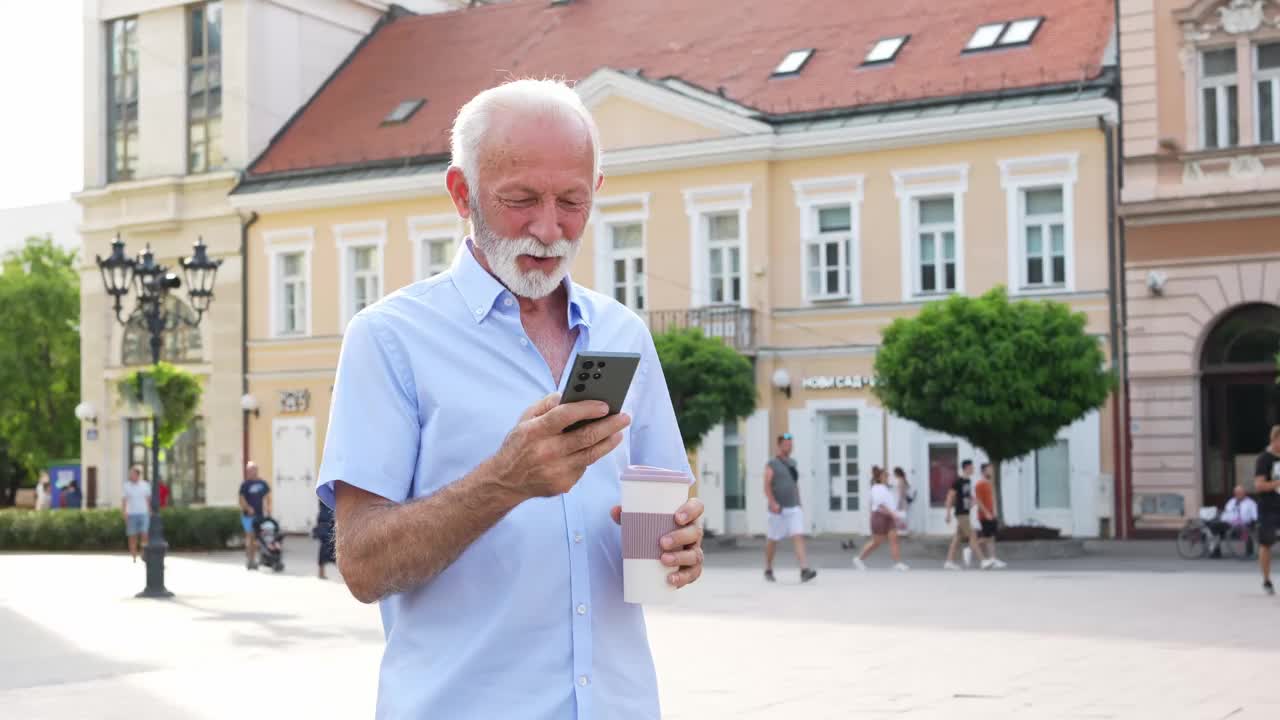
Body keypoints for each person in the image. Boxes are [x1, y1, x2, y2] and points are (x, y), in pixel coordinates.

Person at [318, 79, 705, 719]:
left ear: (596, 192)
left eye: (572, 201)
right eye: (520, 199)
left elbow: (667, 503)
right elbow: (361, 565)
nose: (549, 228)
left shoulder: (622, 333)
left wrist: (680, 541)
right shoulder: (391, 339)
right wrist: (504, 481)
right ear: (461, 193)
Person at [763, 432, 817, 584]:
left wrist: (799, 502)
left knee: (798, 535)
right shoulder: (772, 463)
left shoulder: (793, 463)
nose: (789, 447)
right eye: (787, 445)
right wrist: (773, 503)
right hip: (777, 510)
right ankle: (768, 568)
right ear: (779, 445)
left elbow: (794, 484)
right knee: (773, 539)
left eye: (791, 445)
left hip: (793, 507)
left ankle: (804, 569)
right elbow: (766, 485)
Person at [853, 466, 908, 571]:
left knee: (894, 539)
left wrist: (896, 514)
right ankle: (859, 559)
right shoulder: (876, 488)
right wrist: (894, 515)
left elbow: (890, 503)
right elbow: (881, 505)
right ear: (879, 477)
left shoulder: (885, 488)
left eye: (887, 475)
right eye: (885, 475)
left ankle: (897, 563)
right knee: (876, 542)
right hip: (880, 516)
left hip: (889, 516)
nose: (888, 477)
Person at [944, 460, 988, 570]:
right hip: (960, 513)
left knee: (957, 538)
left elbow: (967, 497)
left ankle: (949, 561)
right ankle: (983, 560)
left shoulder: (968, 481)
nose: (973, 469)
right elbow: (950, 497)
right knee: (972, 536)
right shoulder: (958, 482)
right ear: (967, 468)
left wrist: (974, 503)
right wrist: (948, 513)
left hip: (966, 512)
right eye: (972, 467)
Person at [1253, 425, 1280, 595]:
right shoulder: (1264, 459)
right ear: (1274, 439)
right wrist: (1277, 483)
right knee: (1266, 544)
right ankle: (1266, 580)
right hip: (1269, 508)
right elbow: (1259, 485)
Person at [238, 461, 271, 570]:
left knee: (260, 538)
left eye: (253, 470)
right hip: (248, 516)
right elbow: (241, 499)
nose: (251, 472)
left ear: (256, 470)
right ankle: (250, 560)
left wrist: (268, 508)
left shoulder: (263, 483)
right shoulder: (245, 485)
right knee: (250, 537)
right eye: (249, 470)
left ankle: (259, 558)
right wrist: (248, 508)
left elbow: (267, 497)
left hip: (260, 515)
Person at [974, 463, 1007, 569]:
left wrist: (994, 513)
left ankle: (993, 559)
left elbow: (991, 500)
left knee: (991, 537)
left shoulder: (989, 483)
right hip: (984, 515)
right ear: (983, 471)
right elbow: (978, 500)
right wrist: (986, 513)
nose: (991, 471)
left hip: (991, 514)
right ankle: (971, 547)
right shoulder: (979, 484)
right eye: (989, 470)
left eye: (992, 470)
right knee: (987, 537)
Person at [1214, 484, 1258, 558]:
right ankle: (1216, 551)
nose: (1238, 494)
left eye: (1240, 492)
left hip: (1244, 524)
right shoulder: (1231, 501)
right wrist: (1223, 519)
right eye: (1236, 493)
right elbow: (1226, 512)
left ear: (1244, 493)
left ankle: (1249, 552)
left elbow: (1255, 516)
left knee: (1246, 529)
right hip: (1230, 523)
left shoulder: (1250, 503)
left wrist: (1252, 522)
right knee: (1215, 526)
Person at [121, 465, 151, 563]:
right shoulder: (127, 486)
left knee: (144, 534)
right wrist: (124, 512)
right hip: (131, 514)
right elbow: (124, 500)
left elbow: (148, 499)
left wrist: (149, 511)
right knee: (132, 536)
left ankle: (144, 554)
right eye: (130, 473)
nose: (131, 475)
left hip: (144, 513)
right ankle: (134, 556)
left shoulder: (145, 485)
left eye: (132, 473)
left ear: (138, 475)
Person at [314, 498, 336, 580]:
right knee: (324, 546)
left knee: (333, 545)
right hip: (325, 520)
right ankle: (321, 572)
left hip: (331, 519)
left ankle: (321, 572)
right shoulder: (326, 490)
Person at [887, 466, 912, 536]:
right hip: (902, 500)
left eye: (894, 473)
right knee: (902, 515)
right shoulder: (902, 480)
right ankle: (903, 531)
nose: (893, 474)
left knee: (901, 515)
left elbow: (901, 492)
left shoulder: (900, 480)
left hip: (901, 500)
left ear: (897, 473)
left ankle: (902, 531)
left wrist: (899, 502)